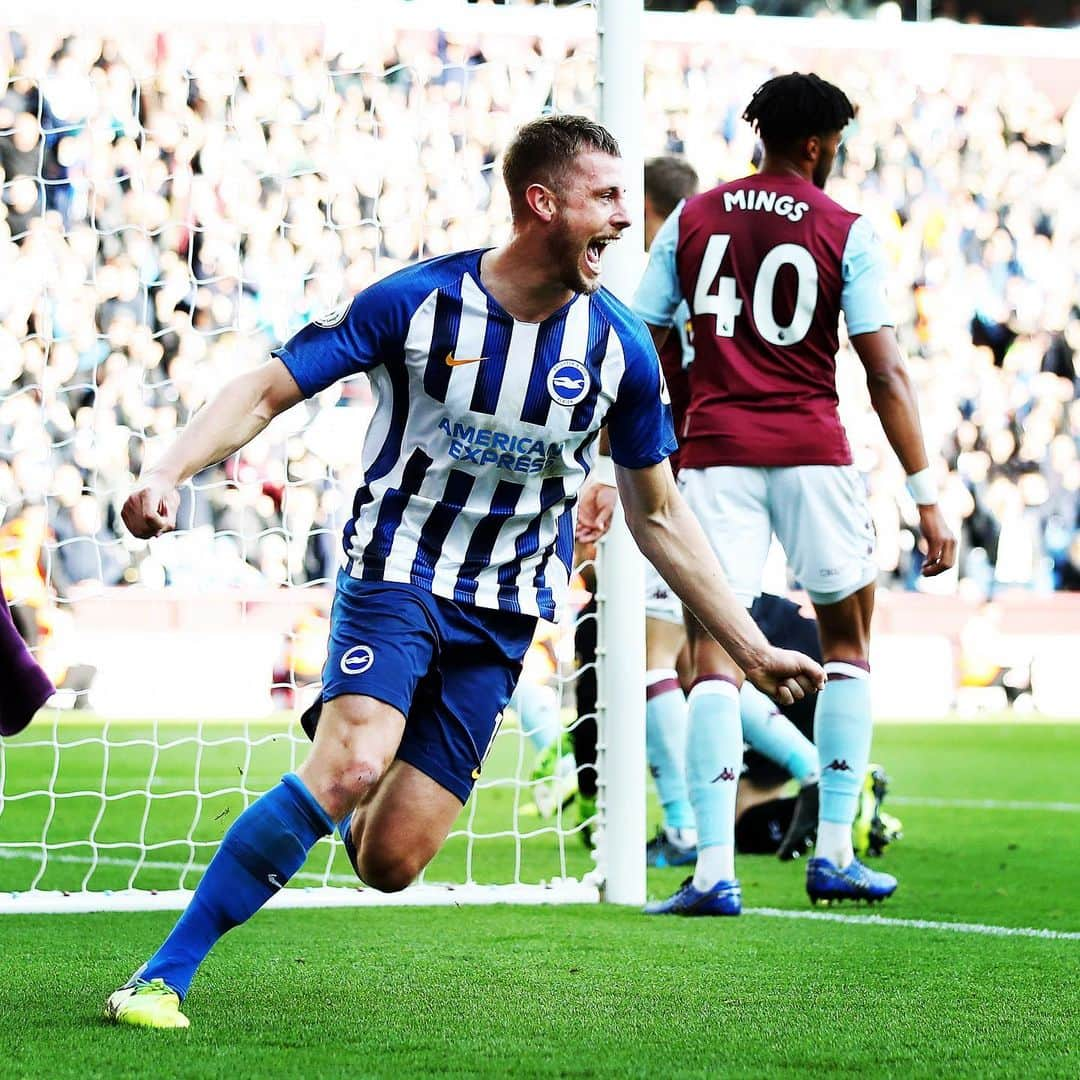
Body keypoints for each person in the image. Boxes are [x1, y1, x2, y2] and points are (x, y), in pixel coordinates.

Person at [106, 113, 824, 1029]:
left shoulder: (620, 348)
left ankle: (358, 739)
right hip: (397, 572)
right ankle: (163, 975)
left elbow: (660, 512)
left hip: (506, 609)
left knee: (390, 862)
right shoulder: (416, 301)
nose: (625, 219)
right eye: (606, 198)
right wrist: (167, 470)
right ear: (541, 203)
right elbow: (268, 388)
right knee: (352, 762)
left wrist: (751, 645)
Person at [633, 73, 956, 914]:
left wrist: (680, 406)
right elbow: (882, 369)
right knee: (848, 642)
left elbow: (644, 337)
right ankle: (837, 851)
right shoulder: (846, 229)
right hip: (814, 451)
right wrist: (925, 492)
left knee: (713, 653)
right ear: (817, 144)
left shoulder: (694, 219)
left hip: (714, 455)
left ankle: (710, 870)